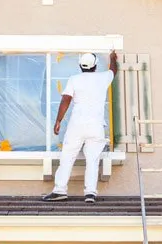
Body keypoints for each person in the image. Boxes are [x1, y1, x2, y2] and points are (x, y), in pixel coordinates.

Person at [42, 50, 118, 203]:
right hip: (96, 126)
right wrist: (112, 58)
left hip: (77, 125)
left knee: (67, 157)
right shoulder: (103, 78)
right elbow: (113, 71)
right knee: (93, 159)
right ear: (95, 66)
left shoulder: (74, 79)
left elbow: (66, 99)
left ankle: (60, 190)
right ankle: (90, 193)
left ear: (80, 66)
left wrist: (58, 121)